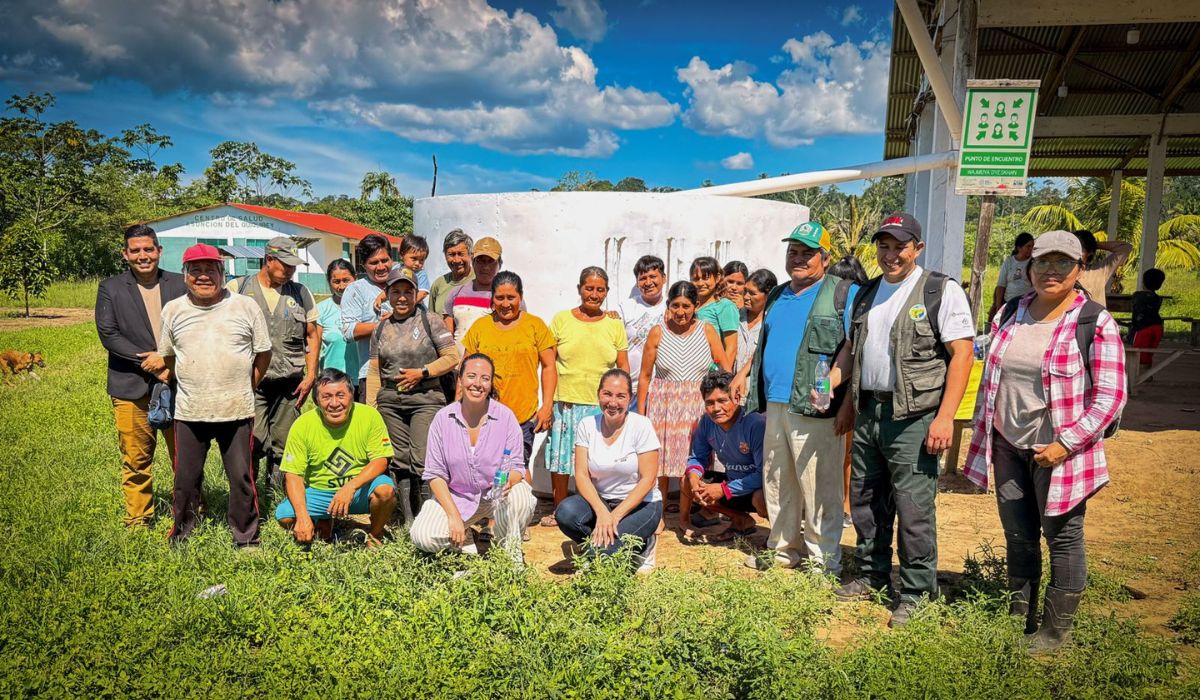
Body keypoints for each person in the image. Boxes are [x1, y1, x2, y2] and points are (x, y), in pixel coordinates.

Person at [964, 230, 1127, 652]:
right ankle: (1019, 617)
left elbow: (1110, 397)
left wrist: (1065, 443)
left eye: (1062, 262)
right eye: (1042, 262)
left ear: (1079, 269)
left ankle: (1056, 632)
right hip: (1007, 445)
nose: (1050, 270)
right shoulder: (1011, 312)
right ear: (1029, 267)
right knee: (1018, 535)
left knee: (1063, 537)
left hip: (1059, 453)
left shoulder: (1093, 321)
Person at [826, 212, 976, 627]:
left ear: (918, 248)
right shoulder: (868, 291)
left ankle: (916, 592)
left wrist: (945, 418)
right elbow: (852, 350)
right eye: (884, 246)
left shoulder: (939, 291)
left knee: (913, 508)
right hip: (869, 412)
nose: (890, 255)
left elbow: (962, 354)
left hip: (914, 416)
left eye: (900, 246)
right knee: (867, 501)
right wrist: (837, 391)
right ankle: (873, 576)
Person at [737, 222, 858, 573]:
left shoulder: (842, 293)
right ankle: (782, 551)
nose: (799, 259)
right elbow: (766, 343)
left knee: (819, 483)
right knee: (778, 480)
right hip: (775, 403)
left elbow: (852, 346)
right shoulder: (777, 294)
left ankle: (823, 560)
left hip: (816, 407)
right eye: (794, 252)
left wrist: (832, 383)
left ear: (825, 257)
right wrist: (745, 375)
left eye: (808, 253)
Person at [160, 243, 272, 547]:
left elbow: (263, 353)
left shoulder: (245, 307)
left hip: (236, 409)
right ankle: (181, 535)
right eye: (195, 270)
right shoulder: (173, 310)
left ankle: (246, 538)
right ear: (185, 275)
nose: (203, 276)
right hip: (188, 411)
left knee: (241, 478)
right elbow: (169, 358)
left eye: (211, 269)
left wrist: (247, 385)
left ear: (222, 273)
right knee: (185, 480)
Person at [95, 224, 187, 526]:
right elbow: (109, 334)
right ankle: (138, 518)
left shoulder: (180, 283)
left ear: (159, 251)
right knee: (136, 458)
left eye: (149, 249)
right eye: (135, 250)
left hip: (178, 383)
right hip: (130, 385)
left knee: (185, 458)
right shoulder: (110, 288)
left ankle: (189, 513)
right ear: (125, 254)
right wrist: (150, 361)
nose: (143, 255)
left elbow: (194, 328)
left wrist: (168, 363)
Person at [411, 354, 538, 561]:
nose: (477, 384)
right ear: (460, 379)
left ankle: (509, 554)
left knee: (521, 497)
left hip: (495, 496)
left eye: (485, 378)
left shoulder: (506, 417)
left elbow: (517, 466)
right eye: (471, 376)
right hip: (457, 498)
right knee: (422, 535)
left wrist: (508, 482)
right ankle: (467, 546)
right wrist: (453, 517)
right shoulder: (443, 419)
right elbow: (435, 474)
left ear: (490, 383)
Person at [365, 266, 459, 526]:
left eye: (408, 291)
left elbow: (452, 357)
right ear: (387, 294)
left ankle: (428, 516)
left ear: (417, 293)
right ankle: (407, 517)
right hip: (390, 402)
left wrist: (423, 372)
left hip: (426, 399)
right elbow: (375, 370)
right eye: (396, 291)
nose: (402, 297)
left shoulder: (431, 321)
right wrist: (372, 406)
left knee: (423, 457)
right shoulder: (381, 328)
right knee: (398, 459)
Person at [227, 236, 319, 489]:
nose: (291, 271)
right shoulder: (239, 289)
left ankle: (277, 494)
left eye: (294, 266)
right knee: (252, 441)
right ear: (269, 260)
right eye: (286, 265)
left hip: (290, 383)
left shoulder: (300, 292)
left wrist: (311, 375)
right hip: (250, 383)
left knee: (284, 441)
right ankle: (250, 498)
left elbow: (312, 333)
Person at [637, 281, 729, 529]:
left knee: (690, 463)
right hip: (662, 406)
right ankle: (657, 516)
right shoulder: (658, 332)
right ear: (668, 306)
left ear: (695, 306)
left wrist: (718, 401)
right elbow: (645, 376)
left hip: (696, 408)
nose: (680, 311)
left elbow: (723, 367)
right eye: (675, 305)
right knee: (659, 464)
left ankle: (685, 519)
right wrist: (641, 414)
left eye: (686, 306)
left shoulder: (707, 330)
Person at [543, 267, 630, 526]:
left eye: (600, 289)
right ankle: (559, 510)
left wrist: (620, 402)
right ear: (579, 288)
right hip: (566, 402)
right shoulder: (561, 320)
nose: (594, 294)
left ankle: (593, 510)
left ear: (606, 292)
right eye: (589, 288)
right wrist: (548, 403)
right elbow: (548, 363)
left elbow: (623, 367)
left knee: (594, 463)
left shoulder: (614, 324)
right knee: (561, 460)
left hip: (600, 406)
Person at [274, 368, 397, 546]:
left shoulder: (369, 416)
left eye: (341, 395)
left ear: (351, 396)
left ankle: (375, 534)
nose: (334, 403)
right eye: (326, 397)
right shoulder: (302, 425)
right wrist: (302, 517)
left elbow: (381, 460)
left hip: (358, 491)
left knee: (385, 490)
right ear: (316, 401)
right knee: (285, 516)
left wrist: (350, 487)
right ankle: (322, 523)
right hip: (320, 491)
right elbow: (293, 474)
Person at [555, 369, 662, 572]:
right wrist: (602, 512)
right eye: (607, 394)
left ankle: (642, 544)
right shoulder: (587, 425)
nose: (613, 403)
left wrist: (614, 516)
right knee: (566, 513)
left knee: (603, 558)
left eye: (621, 396)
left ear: (629, 398)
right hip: (602, 501)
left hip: (641, 505)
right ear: (598, 394)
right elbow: (581, 475)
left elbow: (648, 479)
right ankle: (603, 545)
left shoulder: (642, 425)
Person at [462, 271, 557, 465]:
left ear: (520, 297)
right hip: (482, 415)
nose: (506, 304)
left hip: (522, 417)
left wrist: (547, 406)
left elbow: (549, 367)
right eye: (500, 298)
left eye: (511, 297)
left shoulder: (535, 325)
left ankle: (522, 497)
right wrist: (460, 406)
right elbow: (465, 371)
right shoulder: (480, 327)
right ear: (492, 299)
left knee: (516, 469)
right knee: (483, 467)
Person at [683, 370, 767, 543]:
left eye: (722, 400)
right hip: (731, 486)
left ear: (736, 397)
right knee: (688, 481)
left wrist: (723, 489)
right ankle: (741, 520)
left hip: (757, 488)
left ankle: (781, 536)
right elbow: (698, 457)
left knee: (761, 498)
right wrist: (694, 478)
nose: (716, 409)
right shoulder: (706, 422)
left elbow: (764, 474)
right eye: (710, 403)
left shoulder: (755, 424)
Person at [340, 234, 394, 401]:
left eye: (385, 260)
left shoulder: (404, 284)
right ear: (363, 265)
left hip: (406, 373)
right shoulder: (356, 290)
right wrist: (385, 324)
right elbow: (348, 331)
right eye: (373, 262)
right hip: (372, 375)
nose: (381, 267)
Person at [619, 255, 667, 413]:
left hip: (663, 389)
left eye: (653, 276)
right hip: (631, 390)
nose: (648, 282)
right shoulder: (626, 308)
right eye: (643, 278)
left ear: (664, 278)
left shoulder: (673, 307)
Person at [443, 236, 504, 348]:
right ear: (473, 262)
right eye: (480, 261)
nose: (485, 267)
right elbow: (446, 341)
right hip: (460, 364)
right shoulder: (455, 294)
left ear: (500, 264)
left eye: (490, 261)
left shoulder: (508, 298)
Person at [315, 259, 359, 380]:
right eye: (336, 281)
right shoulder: (320, 310)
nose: (342, 286)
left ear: (355, 278)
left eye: (346, 280)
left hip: (361, 380)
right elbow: (314, 348)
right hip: (332, 382)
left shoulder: (366, 308)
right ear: (329, 282)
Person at [691, 256, 739, 364]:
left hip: (712, 373)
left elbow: (731, 348)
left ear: (717, 278)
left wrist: (722, 376)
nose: (700, 283)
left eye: (705, 277)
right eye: (696, 279)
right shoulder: (691, 306)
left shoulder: (724, 306)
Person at [1074, 229, 1133, 307]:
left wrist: (1093, 245)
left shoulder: (1099, 270)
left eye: (1080, 249)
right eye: (1072, 248)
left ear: (1089, 252)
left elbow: (1125, 247)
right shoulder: (1059, 271)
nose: (1074, 252)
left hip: (1095, 318)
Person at [734, 268, 777, 375]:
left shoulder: (772, 323)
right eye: (745, 291)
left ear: (768, 295)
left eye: (752, 293)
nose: (746, 296)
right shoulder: (735, 316)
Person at [428, 230, 474, 322]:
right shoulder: (438, 284)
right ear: (445, 256)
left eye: (461, 254)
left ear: (470, 255)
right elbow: (431, 321)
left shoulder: (480, 281)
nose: (456, 260)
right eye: (451, 254)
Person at [990, 232, 1035, 320]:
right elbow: (1001, 285)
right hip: (1010, 304)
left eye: (1032, 246)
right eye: (1028, 246)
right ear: (1019, 248)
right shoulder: (1009, 261)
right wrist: (998, 306)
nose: (1031, 249)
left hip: (1029, 304)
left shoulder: (1034, 262)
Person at [1129, 268, 1166, 371]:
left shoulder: (1137, 295)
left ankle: (1137, 376)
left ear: (1143, 282)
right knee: (1149, 352)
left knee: (1138, 353)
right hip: (1157, 327)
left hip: (1143, 328)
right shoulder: (1158, 298)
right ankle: (1148, 374)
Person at [397, 233, 432, 305]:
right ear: (401, 255)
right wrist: (380, 298)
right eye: (414, 258)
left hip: (414, 307)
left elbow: (423, 293)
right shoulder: (396, 269)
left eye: (421, 260)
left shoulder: (420, 274)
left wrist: (408, 305)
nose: (417, 263)